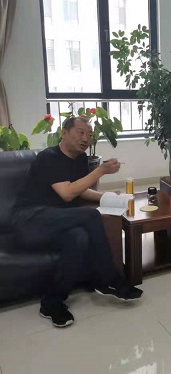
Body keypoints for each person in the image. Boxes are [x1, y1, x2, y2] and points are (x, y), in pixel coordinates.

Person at [11, 116, 143, 329]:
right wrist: (100, 170)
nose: (85, 139)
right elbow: (67, 193)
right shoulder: (49, 158)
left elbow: (81, 190)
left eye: (89, 135)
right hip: (29, 220)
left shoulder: (81, 159)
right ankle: (109, 279)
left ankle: (52, 302)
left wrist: (108, 197)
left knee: (78, 238)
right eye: (80, 133)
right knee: (91, 216)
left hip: (56, 220)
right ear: (64, 133)